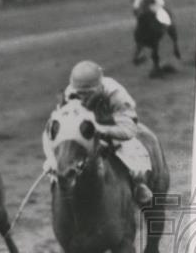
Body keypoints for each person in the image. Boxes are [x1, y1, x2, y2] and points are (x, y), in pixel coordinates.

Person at [44, 60, 153, 206]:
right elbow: (53, 127)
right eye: (79, 94)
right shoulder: (69, 93)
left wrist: (102, 130)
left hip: (113, 130)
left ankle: (138, 185)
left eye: (88, 93)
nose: (83, 98)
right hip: (84, 134)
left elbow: (130, 129)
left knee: (136, 160)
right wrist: (52, 157)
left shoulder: (116, 93)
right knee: (58, 164)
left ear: (100, 86)